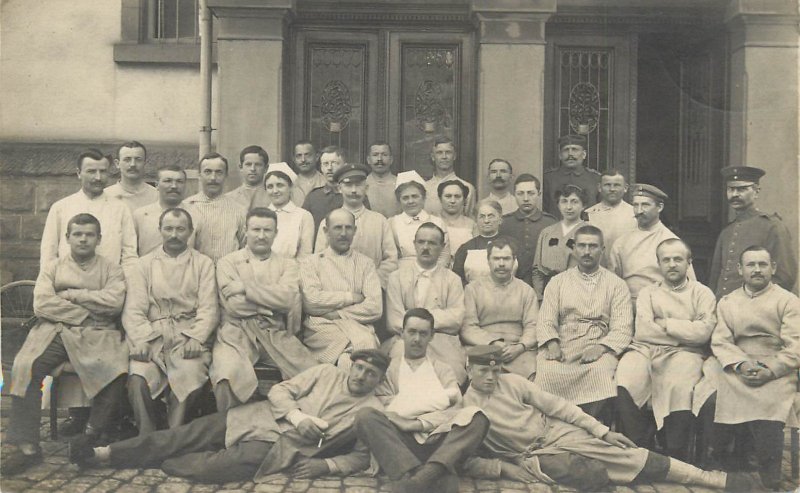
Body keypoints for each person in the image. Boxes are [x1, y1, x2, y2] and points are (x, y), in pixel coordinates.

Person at [461, 345, 764, 492]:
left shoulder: (513, 383)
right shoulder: (465, 408)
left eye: (495, 369)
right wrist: (503, 469)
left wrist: (603, 432)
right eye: (483, 370)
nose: (491, 376)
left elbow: (560, 407)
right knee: (584, 473)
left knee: (626, 453)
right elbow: (467, 458)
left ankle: (714, 480)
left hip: (557, 433)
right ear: (468, 368)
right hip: (531, 455)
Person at [69, 350, 390, 484]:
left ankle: (159, 458)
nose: (361, 376)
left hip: (278, 447)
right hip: (256, 418)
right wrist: (296, 416)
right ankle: (104, 454)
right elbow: (280, 391)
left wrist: (327, 465)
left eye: (370, 373)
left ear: (379, 380)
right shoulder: (325, 373)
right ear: (352, 365)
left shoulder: (372, 411)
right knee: (185, 434)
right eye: (359, 367)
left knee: (215, 468)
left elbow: (362, 458)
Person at [3, 214, 128, 475]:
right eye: (78, 234)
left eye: (90, 234)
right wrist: (85, 313)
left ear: (99, 239)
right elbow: (42, 304)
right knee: (25, 366)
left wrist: (72, 295)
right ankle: (27, 447)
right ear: (68, 237)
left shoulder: (111, 269)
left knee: (116, 369)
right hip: (55, 330)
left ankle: (90, 439)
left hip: (97, 334)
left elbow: (114, 303)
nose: (83, 239)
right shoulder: (53, 267)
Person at [355, 308, 488, 493]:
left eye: (423, 333)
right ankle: (426, 474)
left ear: (432, 336)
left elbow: (454, 409)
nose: (417, 339)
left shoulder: (443, 369)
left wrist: (419, 423)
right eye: (412, 332)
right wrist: (435, 402)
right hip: (402, 443)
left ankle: (418, 481)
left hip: (439, 441)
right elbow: (386, 408)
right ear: (402, 333)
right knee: (365, 416)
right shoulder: (389, 369)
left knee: (477, 417)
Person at [700, 246, 800, 489]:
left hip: (776, 367)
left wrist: (771, 369)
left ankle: (768, 477)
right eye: (751, 265)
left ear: (773, 268)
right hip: (737, 364)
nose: (757, 270)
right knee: (712, 398)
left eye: (762, 264)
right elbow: (721, 341)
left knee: (769, 401)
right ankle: (728, 467)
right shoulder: (728, 302)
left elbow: (795, 345)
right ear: (740, 269)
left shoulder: (788, 301)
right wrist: (741, 364)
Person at [615, 239, 716, 461]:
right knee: (625, 378)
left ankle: (674, 449)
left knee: (678, 385)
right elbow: (643, 331)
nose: (672, 264)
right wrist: (683, 330)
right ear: (659, 263)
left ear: (689, 263)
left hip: (687, 353)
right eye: (666, 260)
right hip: (645, 349)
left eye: (678, 259)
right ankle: (641, 443)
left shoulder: (702, 293)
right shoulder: (647, 293)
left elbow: (702, 333)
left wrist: (665, 323)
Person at [123, 208, 218, 434]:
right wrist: (143, 340)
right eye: (168, 229)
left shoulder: (203, 264)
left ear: (190, 232)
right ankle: (147, 437)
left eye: (180, 229)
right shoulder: (143, 264)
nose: (174, 235)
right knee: (139, 377)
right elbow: (134, 310)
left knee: (189, 375)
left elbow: (209, 308)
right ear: (160, 231)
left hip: (187, 336)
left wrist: (196, 337)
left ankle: (173, 436)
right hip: (153, 335)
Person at [211, 208, 316, 411]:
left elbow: (287, 299)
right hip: (236, 333)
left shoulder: (287, 264)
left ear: (276, 232)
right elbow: (234, 306)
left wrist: (245, 288)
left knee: (312, 374)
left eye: (267, 230)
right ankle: (229, 427)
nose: (261, 236)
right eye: (256, 229)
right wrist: (268, 304)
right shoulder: (228, 262)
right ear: (246, 230)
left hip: (274, 331)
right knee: (227, 374)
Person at [535, 225, 633, 419]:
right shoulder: (558, 282)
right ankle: (555, 429)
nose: (587, 252)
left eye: (593, 246)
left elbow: (622, 326)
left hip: (597, 343)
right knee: (547, 372)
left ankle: (590, 428)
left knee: (601, 373)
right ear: (573, 248)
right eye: (582, 246)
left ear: (602, 250)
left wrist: (601, 348)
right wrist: (552, 344)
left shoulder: (616, 285)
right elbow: (546, 319)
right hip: (564, 342)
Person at [299, 209, 383, 368]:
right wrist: (350, 297)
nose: (343, 233)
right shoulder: (310, 263)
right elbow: (311, 301)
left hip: (357, 325)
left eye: (348, 228)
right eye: (337, 228)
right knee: (361, 348)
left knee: (359, 348)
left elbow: (375, 307)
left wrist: (337, 313)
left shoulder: (366, 264)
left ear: (355, 231)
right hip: (322, 328)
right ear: (326, 231)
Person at [385, 223, 467, 384]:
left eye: (432, 243)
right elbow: (394, 320)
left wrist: (413, 316)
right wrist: (435, 318)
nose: (426, 247)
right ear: (414, 244)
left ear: (442, 247)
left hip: (442, 340)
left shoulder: (452, 279)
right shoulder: (396, 277)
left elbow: (455, 319)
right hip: (406, 340)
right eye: (421, 242)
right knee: (399, 370)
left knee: (452, 370)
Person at [709, 165, 796, 298]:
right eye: (731, 189)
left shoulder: (772, 227)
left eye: (742, 189)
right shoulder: (727, 231)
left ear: (756, 191)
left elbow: (785, 278)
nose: (735, 194)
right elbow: (716, 278)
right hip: (724, 309)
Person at [41, 148, 137, 268]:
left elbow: (129, 256)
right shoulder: (60, 208)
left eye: (103, 171)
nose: (98, 177)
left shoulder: (120, 208)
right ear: (78, 173)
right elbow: (48, 254)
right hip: (68, 282)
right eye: (91, 171)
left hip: (109, 283)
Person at [461, 238, 538, 379]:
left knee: (530, 378)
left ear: (514, 261)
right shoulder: (472, 289)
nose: (501, 264)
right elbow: (467, 327)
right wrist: (493, 343)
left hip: (518, 350)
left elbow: (533, 325)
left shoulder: (526, 290)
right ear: (488, 261)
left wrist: (520, 347)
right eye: (496, 259)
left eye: (506, 259)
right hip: (483, 346)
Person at [315, 164, 398, 289]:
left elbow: (391, 259)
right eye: (348, 185)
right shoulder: (328, 221)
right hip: (336, 291)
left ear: (366, 188)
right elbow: (319, 258)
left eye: (358, 185)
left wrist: (372, 282)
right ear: (339, 188)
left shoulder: (379, 221)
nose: (354, 190)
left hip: (373, 289)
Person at [609, 184, 696, 303]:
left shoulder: (672, 242)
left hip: (660, 307)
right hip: (626, 306)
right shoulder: (621, 243)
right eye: (635, 205)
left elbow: (689, 286)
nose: (639, 211)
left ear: (659, 207)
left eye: (645, 205)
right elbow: (612, 283)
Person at [184, 152, 246, 263]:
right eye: (207, 172)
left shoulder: (239, 210)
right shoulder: (186, 207)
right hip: (196, 275)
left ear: (226, 175)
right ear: (199, 175)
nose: (213, 178)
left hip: (229, 275)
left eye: (219, 172)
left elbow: (245, 250)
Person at [498, 174, 557, 286]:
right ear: (514, 195)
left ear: (539, 194)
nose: (526, 198)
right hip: (510, 284)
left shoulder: (550, 222)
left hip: (544, 285)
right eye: (520, 193)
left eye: (531, 193)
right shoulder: (504, 223)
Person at [532, 184, 588, 299]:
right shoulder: (547, 232)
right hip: (549, 293)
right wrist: (539, 296)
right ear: (558, 204)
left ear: (583, 205)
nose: (569, 207)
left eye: (574, 202)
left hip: (579, 293)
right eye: (564, 201)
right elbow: (537, 270)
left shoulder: (589, 232)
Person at [389, 170, 450, 268]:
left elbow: (444, 256)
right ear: (399, 201)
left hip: (434, 274)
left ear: (424, 198)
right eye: (405, 198)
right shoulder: (392, 223)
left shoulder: (437, 222)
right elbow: (390, 257)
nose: (410, 201)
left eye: (415, 196)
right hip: (403, 273)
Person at [253, 162, 314, 258]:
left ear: (290, 187)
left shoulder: (303, 216)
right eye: (270, 187)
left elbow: (305, 256)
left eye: (280, 185)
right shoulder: (259, 216)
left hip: (293, 271)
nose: (275, 191)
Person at [133, 164, 196, 255]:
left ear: (185, 185)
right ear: (157, 185)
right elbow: (131, 253)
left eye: (179, 181)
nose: (174, 186)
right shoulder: (140, 215)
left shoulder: (196, 215)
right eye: (168, 181)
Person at [585, 169, 636, 264]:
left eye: (617, 185)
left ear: (625, 188)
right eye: (607, 185)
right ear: (599, 188)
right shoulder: (589, 214)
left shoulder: (635, 214)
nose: (612, 189)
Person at [542, 134, 600, 217]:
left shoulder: (595, 178)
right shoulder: (549, 179)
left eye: (575, 150)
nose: (570, 154)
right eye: (566, 150)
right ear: (560, 155)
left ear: (584, 154)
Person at [452, 200, 504, 285]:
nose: (486, 220)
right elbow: (457, 281)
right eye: (482, 216)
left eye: (491, 216)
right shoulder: (466, 248)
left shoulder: (513, 245)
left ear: (500, 219)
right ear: (476, 221)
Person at [423, 136, 477, 217]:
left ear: (454, 156)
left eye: (448, 152)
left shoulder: (467, 187)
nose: (444, 157)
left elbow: (470, 221)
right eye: (439, 153)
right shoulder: (424, 187)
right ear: (433, 157)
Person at [302, 145, 349, 236]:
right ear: (321, 168)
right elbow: (303, 228)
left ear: (345, 167)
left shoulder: (354, 196)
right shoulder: (313, 197)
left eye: (334, 163)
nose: (329, 168)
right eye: (325, 164)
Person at [106, 141, 158, 212]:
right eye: (127, 159)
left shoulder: (156, 196)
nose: (133, 164)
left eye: (138, 159)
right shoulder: (106, 195)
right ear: (117, 164)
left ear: (145, 163)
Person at [437, 179, 476, 255]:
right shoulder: (432, 221)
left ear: (464, 200)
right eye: (448, 196)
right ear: (440, 199)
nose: (452, 200)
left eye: (457, 196)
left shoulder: (472, 225)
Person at [225, 145, 270, 209]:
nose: (253, 169)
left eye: (258, 164)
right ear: (241, 167)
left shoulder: (273, 196)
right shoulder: (229, 198)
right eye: (248, 164)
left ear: (266, 168)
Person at [364, 141, 400, 217]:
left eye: (384, 155)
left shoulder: (400, 184)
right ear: (368, 160)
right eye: (375, 155)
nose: (379, 159)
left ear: (391, 159)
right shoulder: (362, 185)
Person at [291, 140, 326, 207]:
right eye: (299, 156)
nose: (303, 160)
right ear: (294, 159)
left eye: (307, 155)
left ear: (317, 157)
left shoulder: (326, 182)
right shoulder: (290, 184)